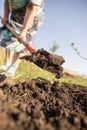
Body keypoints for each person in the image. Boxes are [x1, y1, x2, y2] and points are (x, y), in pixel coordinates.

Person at [0, 0, 44, 76]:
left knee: (21, 43)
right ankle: (8, 63)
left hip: (31, 17)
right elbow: (7, 1)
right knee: (8, 36)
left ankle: (12, 68)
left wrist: (24, 31)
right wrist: (5, 16)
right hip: (16, 14)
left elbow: (32, 8)